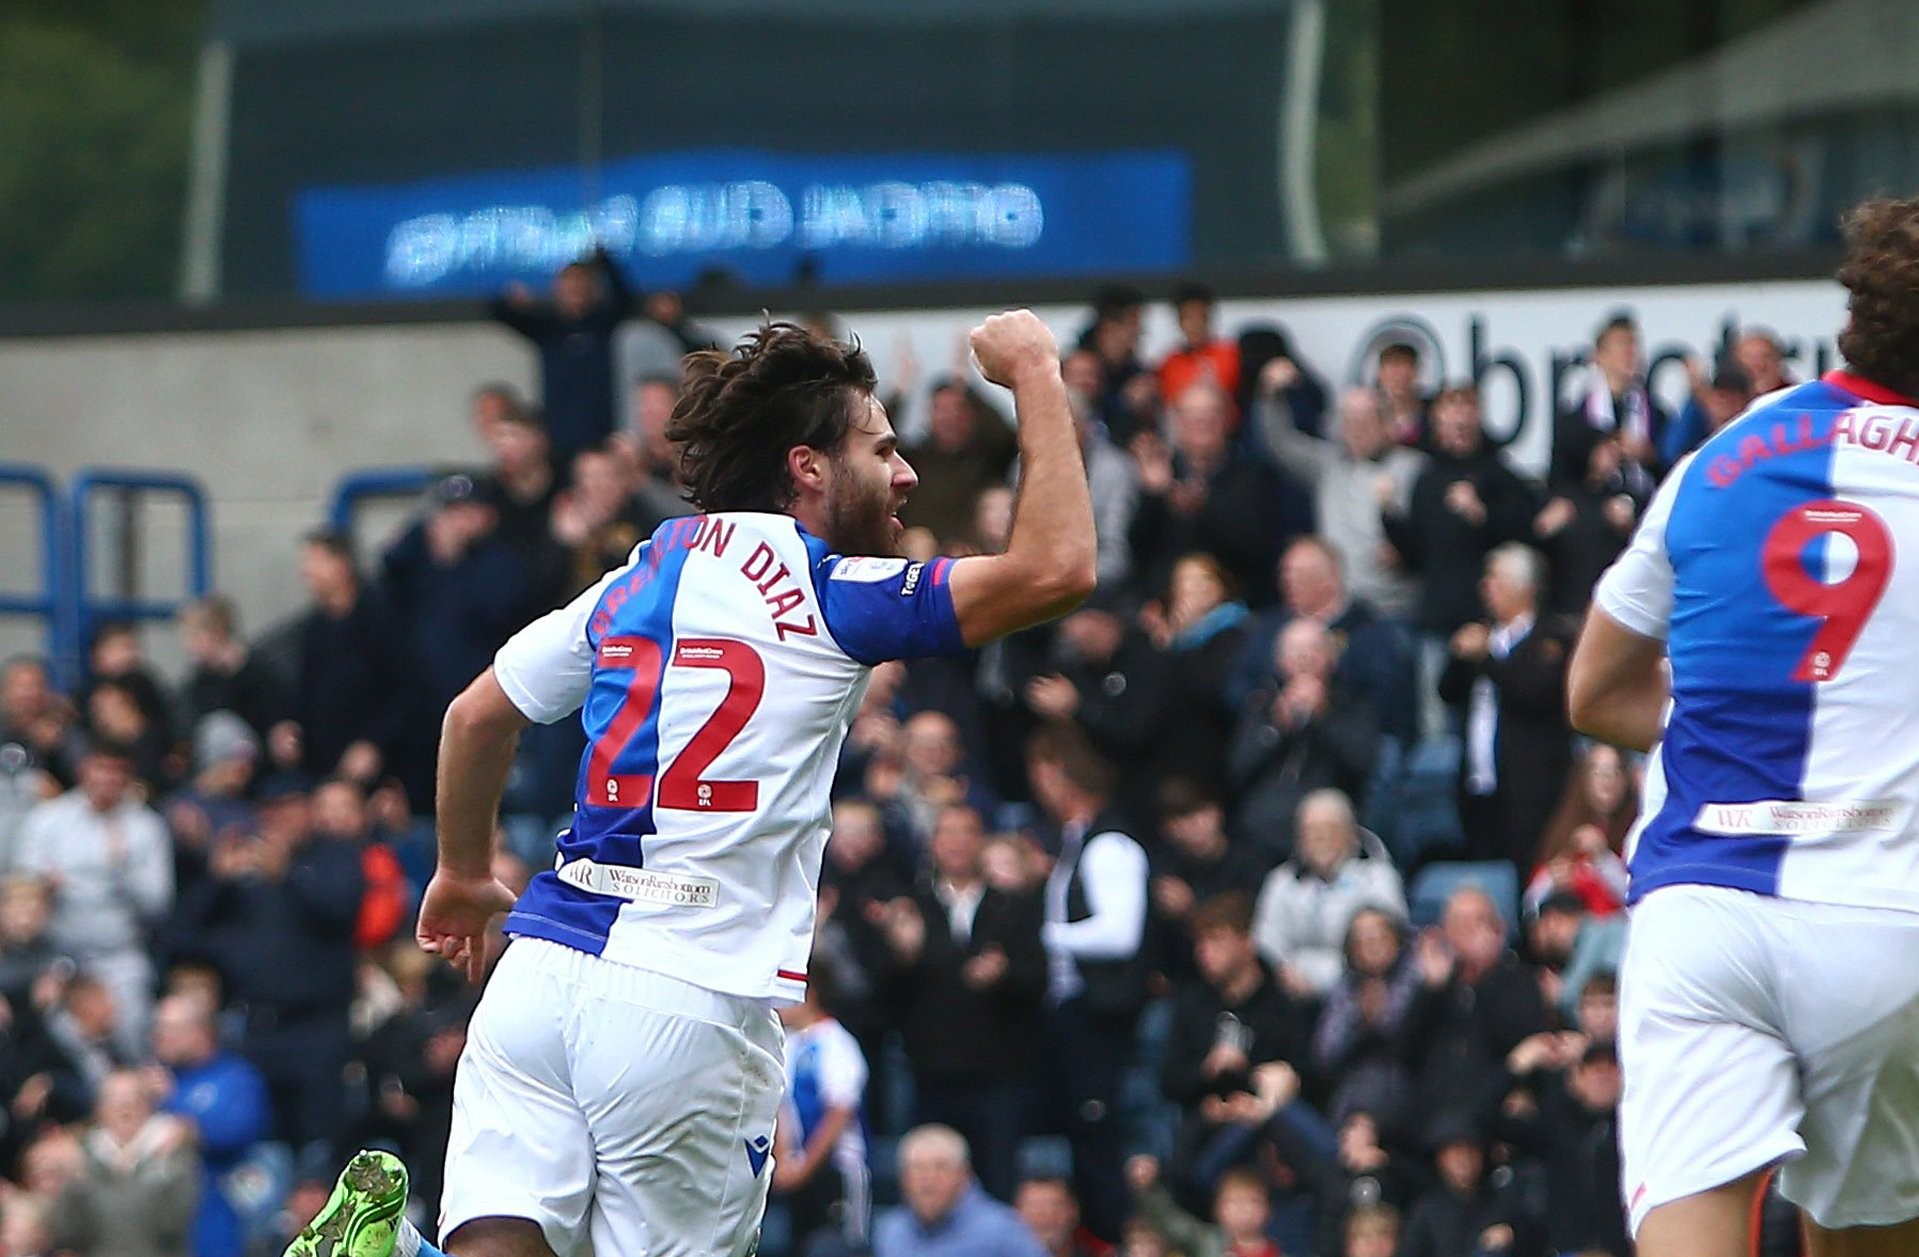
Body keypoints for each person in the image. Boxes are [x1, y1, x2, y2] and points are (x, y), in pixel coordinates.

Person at [285, 310, 1096, 1257]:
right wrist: (1036, 370)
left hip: (538, 976)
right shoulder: (835, 593)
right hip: (690, 995)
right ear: (807, 467)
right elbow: (1056, 569)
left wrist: (462, 870)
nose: (906, 473)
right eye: (882, 450)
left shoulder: (640, 574)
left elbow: (474, 714)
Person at [1567, 195, 1919, 1257]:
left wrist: (1747, 723)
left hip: (1701, 908)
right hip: (1883, 918)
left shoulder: (1723, 453)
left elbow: (1594, 692)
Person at [872, 1125, 1046, 1257]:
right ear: (903, 1179)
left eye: (940, 1167)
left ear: (965, 1175)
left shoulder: (1002, 1231)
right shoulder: (891, 1232)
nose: (928, 1180)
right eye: (917, 1169)